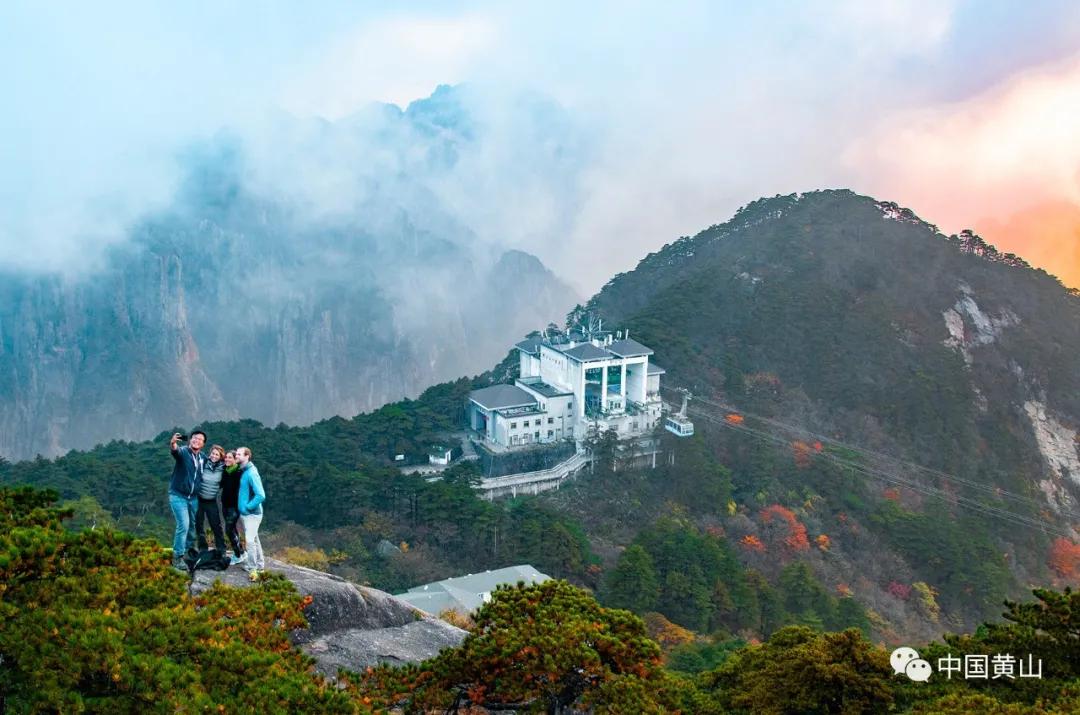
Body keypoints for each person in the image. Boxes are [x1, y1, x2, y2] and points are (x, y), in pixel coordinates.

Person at [168, 430, 206, 570]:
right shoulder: (183, 452)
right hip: (178, 496)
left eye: (200, 439)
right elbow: (175, 451)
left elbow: (214, 466)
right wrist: (173, 443)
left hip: (193, 498)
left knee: (192, 526)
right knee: (183, 525)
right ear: (190, 440)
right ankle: (177, 557)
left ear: (203, 444)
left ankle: (189, 550)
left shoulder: (202, 458)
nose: (197, 440)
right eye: (194, 438)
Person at [235, 446, 266, 580]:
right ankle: (260, 566)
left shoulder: (251, 473)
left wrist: (247, 507)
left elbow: (260, 495)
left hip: (252, 514)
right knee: (255, 539)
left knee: (250, 541)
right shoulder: (244, 470)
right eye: (236, 454)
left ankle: (253, 568)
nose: (236, 456)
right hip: (246, 513)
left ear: (247, 456)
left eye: (239, 454)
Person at [194, 445, 227, 557]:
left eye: (217, 454)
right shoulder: (203, 464)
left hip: (211, 501)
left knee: (216, 525)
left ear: (220, 457)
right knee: (198, 524)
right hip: (199, 499)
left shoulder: (223, 468)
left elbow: (224, 482)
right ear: (210, 453)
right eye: (213, 453)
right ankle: (203, 548)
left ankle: (221, 549)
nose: (214, 456)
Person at [220, 450, 245, 564]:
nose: (227, 459)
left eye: (230, 458)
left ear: (236, 460)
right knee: (233, 529)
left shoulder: (239, 473)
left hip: (234, 507)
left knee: (229, 530)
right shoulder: (225, 471)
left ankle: (238, 554)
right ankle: (242, 552)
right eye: (226, 457)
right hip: (225, 506)